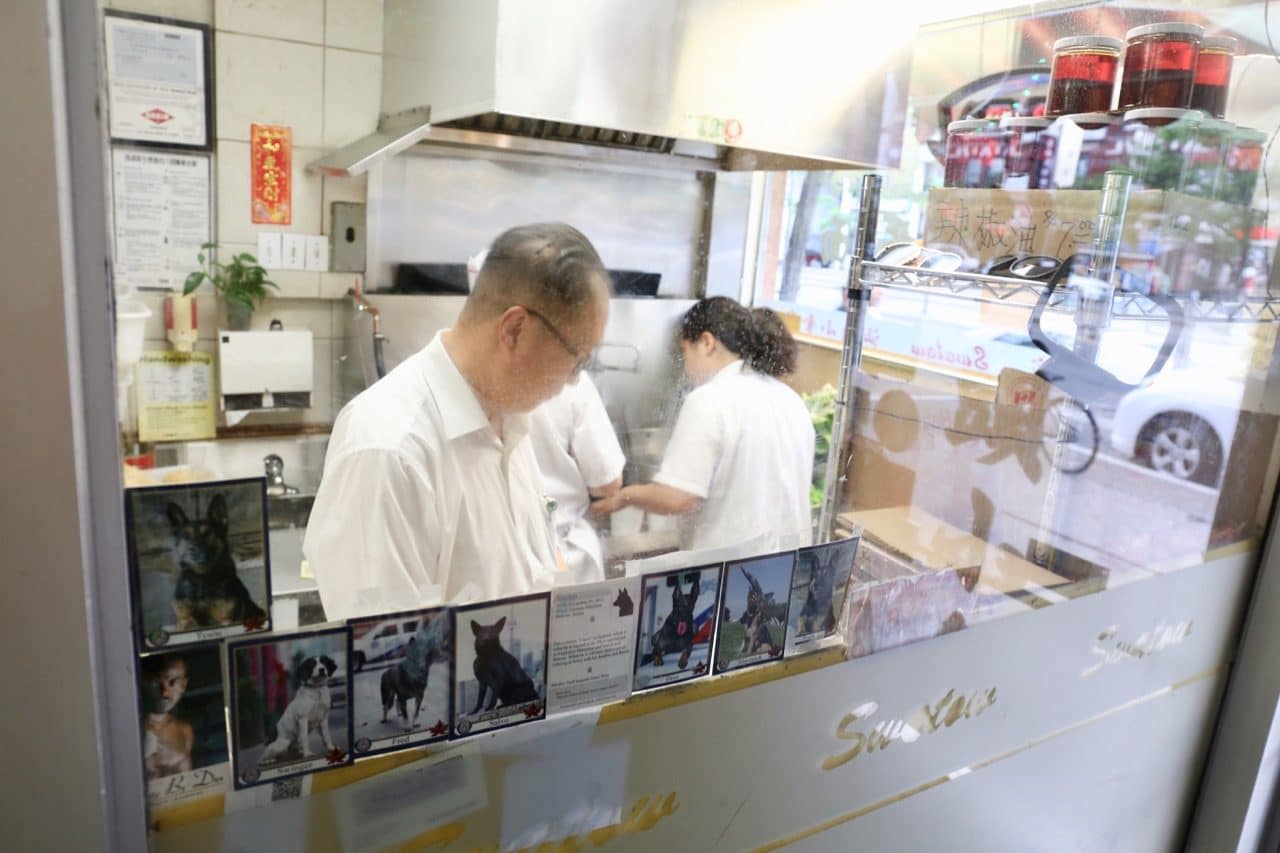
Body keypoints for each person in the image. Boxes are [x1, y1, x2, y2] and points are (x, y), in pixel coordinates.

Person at [304, 223, 612, 619]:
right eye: (577, 356)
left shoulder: (511, 425)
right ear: (515, 329)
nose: (576, 379)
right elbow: (386, 660)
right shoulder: (389, 449)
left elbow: (535, 581)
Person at [590, 297, 814, 556]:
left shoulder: (710, 400)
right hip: (790, 568)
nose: (685, 366)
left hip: (732, 576)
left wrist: (624, 497)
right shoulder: (790, 399)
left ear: (707, 343)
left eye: (685, 351)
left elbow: (678, 497)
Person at [528, 372, 625, 584]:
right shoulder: (573, 381)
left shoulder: (482, 372)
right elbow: (608, 483)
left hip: (506, 556)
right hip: (564, 550)